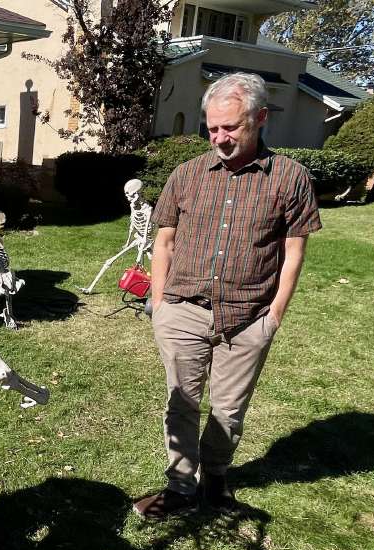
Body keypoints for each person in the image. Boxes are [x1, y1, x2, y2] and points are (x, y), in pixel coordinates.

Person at [133, 72, 322, 519]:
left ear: (259, 118)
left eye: (230, 127)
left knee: (229, 408)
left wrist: (274, 315)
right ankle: (180, 487)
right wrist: (160, 304)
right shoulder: (187, 175)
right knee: (181, 401)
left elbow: (293, 253)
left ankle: (215, 478)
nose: (218, 137)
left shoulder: (290, 178)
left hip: (249, 317)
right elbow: (163, 242)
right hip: (182, 310)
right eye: (212, 128)